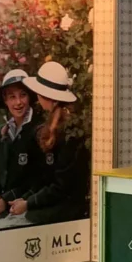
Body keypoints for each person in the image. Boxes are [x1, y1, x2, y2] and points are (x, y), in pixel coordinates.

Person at [9, 61, 90, 226]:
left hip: (67, 208)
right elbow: (46, 177)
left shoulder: (68, 134)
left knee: (13, 225)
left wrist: (28, 204)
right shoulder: (53, 124)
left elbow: (61, 188)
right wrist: (28, 198)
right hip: (55, 201)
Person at [0, 69, 46, 230]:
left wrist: (5, 201)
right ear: (5, 100)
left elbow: (39, 180)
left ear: (30, 97)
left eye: (23, 95)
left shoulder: (39, 130)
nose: (18, 102)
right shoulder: (3, 132)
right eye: (12, 97)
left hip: (25, 206)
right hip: (2, 207)